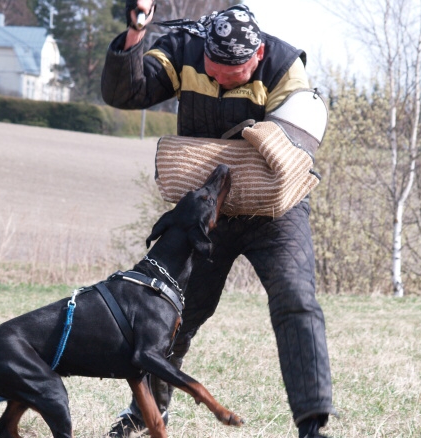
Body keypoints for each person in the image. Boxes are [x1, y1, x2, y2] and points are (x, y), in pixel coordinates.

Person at [101, 3, 336, 437]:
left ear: (258, 55)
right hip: (209, 213)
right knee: (176, 314)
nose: (222, 76)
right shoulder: (184, 51)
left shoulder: (284, 65)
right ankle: (148, 412)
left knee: (296, 301)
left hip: (275, 211)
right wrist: (136, 32)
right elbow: (124, 93)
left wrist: (240, 143)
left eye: (236, 71)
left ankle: (313, 423)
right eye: (214, 67)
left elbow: (299, 141)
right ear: (203, 50)